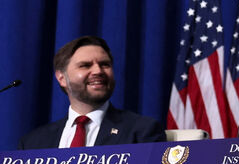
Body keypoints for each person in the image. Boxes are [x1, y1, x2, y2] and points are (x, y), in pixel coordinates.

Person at [19, 35, 166, 149]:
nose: (98, 71)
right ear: (61, 78)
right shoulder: (33, 143)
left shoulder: (142, 132)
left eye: (105, 64)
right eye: (85, 65)